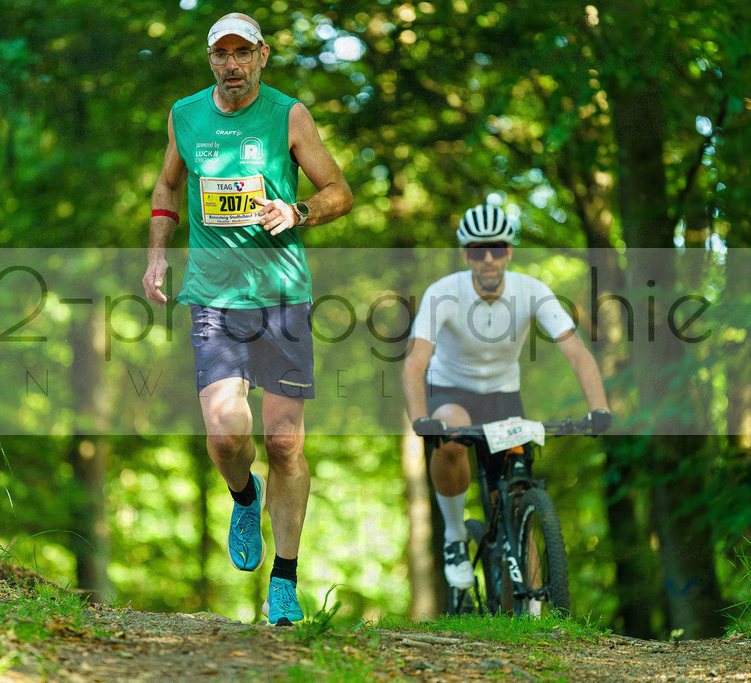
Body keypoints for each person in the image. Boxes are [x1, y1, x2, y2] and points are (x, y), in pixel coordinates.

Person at [142, 13, 353, 626]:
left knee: (285, 443)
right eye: (221, 54)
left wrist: (300, 210)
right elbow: (166, 183)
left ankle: (283, 584)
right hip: (213, 297)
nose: (232, 64)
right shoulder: (186, 115)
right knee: (227, 437)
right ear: (210, 60)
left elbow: (339, 190)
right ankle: (243, 495)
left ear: (262, 56)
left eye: (243, 53)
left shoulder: (290, 116)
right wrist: (157, 256)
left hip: (283, 296)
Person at [401, 204, 611, 597]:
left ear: (509, 251)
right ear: (467, 255)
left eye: (497, 249)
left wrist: (599, 408)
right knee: (449, 433)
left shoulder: (531, 291)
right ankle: (453, 535)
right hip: (451, 390)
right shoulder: (443, 293)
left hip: (502, 397)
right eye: (479, 251)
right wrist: (419, 419)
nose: (489, 259)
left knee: (515, 491)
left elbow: (577, 353)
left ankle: (530, 610)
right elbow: (415, 362)